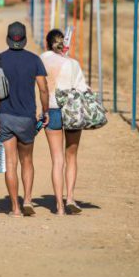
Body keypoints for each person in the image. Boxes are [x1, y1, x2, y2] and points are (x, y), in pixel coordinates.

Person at [0, 22, 49, 217]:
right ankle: (28, 200)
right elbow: (43, 88)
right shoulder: (34, 60)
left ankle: (15, 207)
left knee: (11, 163)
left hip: (5, 115)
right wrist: (45, 111)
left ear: (8, 38)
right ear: (24, 38)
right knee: (27, 160)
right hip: (27, 117)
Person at [40, 29, 88, 215]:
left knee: (56, 159)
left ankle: (59, 206)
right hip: (72, 111)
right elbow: (82, 88)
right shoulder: (73, 64)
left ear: (47, 43)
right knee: (71, 156)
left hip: (51, 110)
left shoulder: (42, 60)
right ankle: (70, 197)